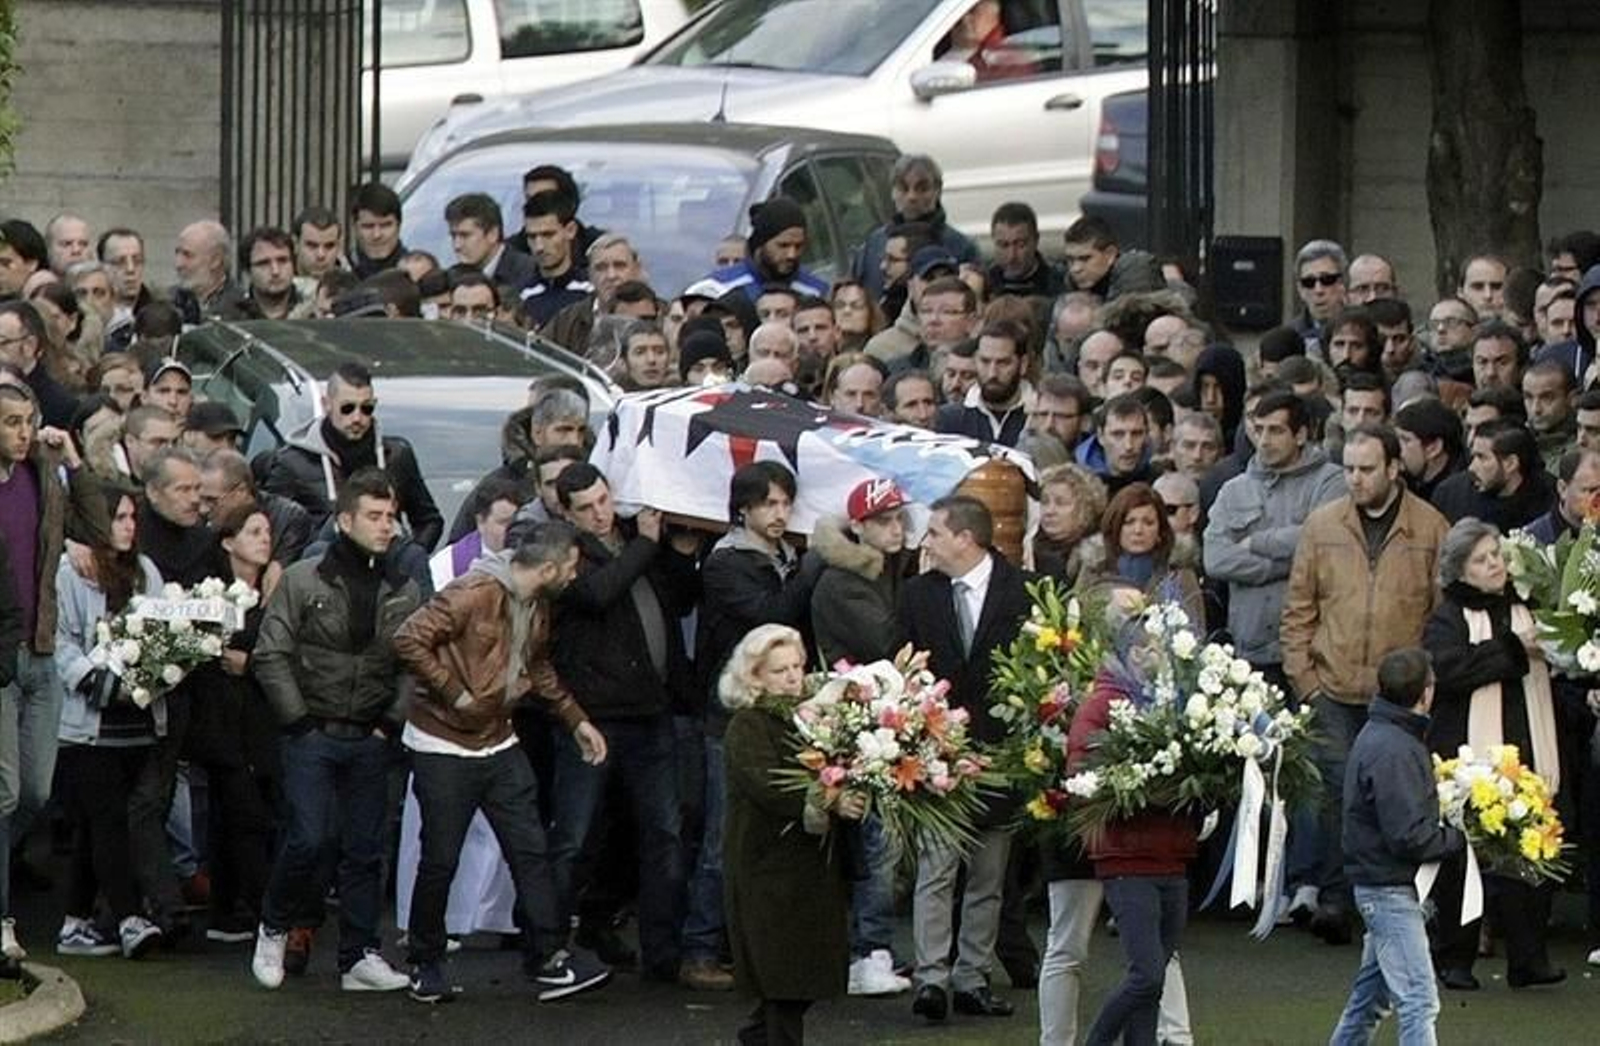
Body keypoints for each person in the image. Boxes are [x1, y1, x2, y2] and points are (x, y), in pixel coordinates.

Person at [391, 522, 613, 1004]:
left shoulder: (536, 604)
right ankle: (425, 962)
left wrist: (576, 720)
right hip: (442, 745)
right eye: (571, 568)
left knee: (530, 850)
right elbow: (408, 638)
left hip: (498, 741)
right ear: (549, 567)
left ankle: (548, 957)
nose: (575, 577)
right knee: (440, 859)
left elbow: (537, 666)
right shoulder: (472, 592)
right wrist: (458, 695)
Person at [250, 469, 423, 994]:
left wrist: (391, 723)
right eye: (374, 516)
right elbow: (270, 651)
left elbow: (412, 661)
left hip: (369, 734)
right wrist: (298, 721)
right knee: (308, 837)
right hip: (313, 731)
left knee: (365, 849)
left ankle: (359, 956)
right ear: (345, 520)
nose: (386, 526)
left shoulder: (403, 586)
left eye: (391, 516)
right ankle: (274, 927)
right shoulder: (304, 578)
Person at [1281, 423, 1450, 945]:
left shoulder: (1431, 528)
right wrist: (1305, 682)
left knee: (1402, 801)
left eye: (1366, 469)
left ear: (1395, 468)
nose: (1354, 478)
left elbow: (1440, 615)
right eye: (1349, 468)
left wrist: (1424, 687)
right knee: (1336, 796)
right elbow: (1298, 610)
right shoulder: (1321, 524)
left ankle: (1406, 905)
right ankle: (1335, 901)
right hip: (1329, 688)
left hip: (1398, 695)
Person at [547, 466, 696, 985]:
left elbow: (681, 600)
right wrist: (648, 546)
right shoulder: (565, 558)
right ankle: (547, 949)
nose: (600, 513)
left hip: (651, 713)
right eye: (585, 507)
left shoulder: (638, 543)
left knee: (663, 836)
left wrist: (675, 551)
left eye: (605, 500)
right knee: (574, 836)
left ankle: (663, 953)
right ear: (565, 513)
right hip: (594, 718)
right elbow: (597, 594)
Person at [684, 461, 822, 992]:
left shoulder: (784, 557)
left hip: (778, 716)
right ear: (744, 508)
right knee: (723, 838)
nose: (780, 513)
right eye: (769, 504)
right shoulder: (726, 565)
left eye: (787, 503)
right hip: (730, 719)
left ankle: (749, 947)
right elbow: (771, 614)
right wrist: (813, 568)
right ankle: (701, 947)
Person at [1421, 518, 1566, 992]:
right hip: (1468, 750)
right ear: (1460, 570)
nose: (1495, 566)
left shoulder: (1525, 604)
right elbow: (1446, 670)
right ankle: (1455, 959)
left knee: (1529, 848)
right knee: (1464, 857)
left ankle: (1529, 958)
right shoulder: (1447, 616)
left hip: (1525, 740)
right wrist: (1511, 648)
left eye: (1497, 556)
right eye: (1482, 560)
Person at [901, 496, 1029, 1022]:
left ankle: (972, 977)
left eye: (933, 532)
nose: (924, 542)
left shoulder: (1023, 591)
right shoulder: (917, 593)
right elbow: (902, 663)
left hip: (1002, 752)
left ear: (966, 538)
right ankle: (930, 978)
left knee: (988, 875)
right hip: (939, 751)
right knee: (935, 870)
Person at [721, 624, 864, 1045]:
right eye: (779, 670)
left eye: (797, 667)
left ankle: (756, 1037)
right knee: (782, 978)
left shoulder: (808, 717)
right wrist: (829, 801)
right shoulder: (748, 725)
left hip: (809, 866)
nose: (792, 677)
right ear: (755, 676)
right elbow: (769, 783)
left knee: (794, 980)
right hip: (766, 866)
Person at [1066, 592, 1199, 1046]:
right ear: (1137, 651)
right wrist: (1145, 786)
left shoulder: (1173, 702)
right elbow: (1082, 775)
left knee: (1155, 975)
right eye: (1158, 650)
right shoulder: (1102, 704)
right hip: (1127, 856)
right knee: (1145, 974)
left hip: (1171, 853)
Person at [50, 483, 167, 960]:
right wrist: (95, 681)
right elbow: (58, 642)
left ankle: (75, 924)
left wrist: (149, 679)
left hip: (136, 721)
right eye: (117, 518)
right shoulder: (68, 573)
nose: (127, 527)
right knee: (107, 820)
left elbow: (163, 633)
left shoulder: (145, 571)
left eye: (131, 518)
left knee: (98, 828)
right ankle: (128, 917)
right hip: (87, 725)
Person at [0, 381, 96, 961]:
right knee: (6, 792)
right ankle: (4, 917)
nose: (21, 432)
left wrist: (75, 463)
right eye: (10, 422)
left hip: (42, 647)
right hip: (0, 655)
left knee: (36, 790)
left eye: (26, 421)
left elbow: (96, 529)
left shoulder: (42, 476)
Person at [1328, 648, 1464, 1046]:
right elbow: (1408, 835)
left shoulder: (1385, 736)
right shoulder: (1396, 749)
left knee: (1370, 1000)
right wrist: (1458, 839)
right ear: (1425, 694)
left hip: (1381, 883)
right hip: (1389, 888)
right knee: (1419, 1001)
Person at [810, 478, 914, 996]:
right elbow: (888, 640)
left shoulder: (887, 570)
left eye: (899, 519)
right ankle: (867, 950)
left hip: (882, 718)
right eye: (884, 521)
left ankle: (871, 948)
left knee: (881, 842)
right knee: (876, 842)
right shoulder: (842, 581)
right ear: (858, 527)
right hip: (860, 722)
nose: (896, 529)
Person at [260, 362, 443, 550]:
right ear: (327, 404)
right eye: (347, 408)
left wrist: (407, 560)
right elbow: (270, 529)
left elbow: (429, 521)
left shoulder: (396, 456)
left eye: (366, 408)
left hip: (384, 572)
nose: (357, 418)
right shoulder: (292, 463)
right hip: (323, 572)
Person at [852, 155, 980, 299]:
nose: (911, 197)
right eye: (903, 188)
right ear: (893, 192)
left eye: (922, 188)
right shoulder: (874, 244)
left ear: (937, 191)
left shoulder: (960, 247)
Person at [1076, 483, 1199, 606]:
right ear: (1115, 526)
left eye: (1148, 523)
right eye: (1129, 522)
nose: (1138, 530)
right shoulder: (1094, 568)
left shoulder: (1179, 572)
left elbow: (1196, 621)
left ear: (1160, 530)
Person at [690, 197, 828, 303]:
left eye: (798, 246)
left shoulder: (815, 291)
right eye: (783, 245)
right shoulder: (716, 289)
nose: (791, 255)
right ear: (760, 244)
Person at [935, 319, 1031, 446]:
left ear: (1023, 364)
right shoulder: (947, 419)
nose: (992, 373)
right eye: (985, 361)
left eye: (1003, 363)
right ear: (975, 360)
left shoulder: (1041, 418)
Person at [1032, 463, 1108, 583]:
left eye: (1061, 503)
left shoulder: (1098, 560)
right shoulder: (1028, 550)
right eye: (1044, 502)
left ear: (1085, 508)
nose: (1049, 511)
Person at [350, 183, 407, 279]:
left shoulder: (417, 273)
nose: (377, 235)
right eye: (368, 226)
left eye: (385, 225)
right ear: (355, 227)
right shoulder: (340, 270)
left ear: (399, 225)